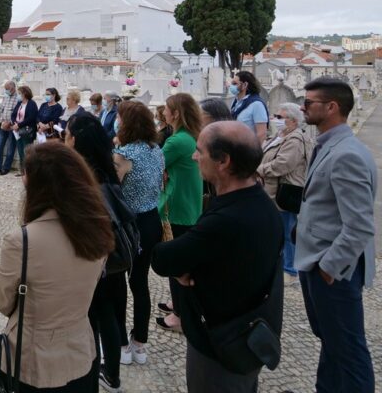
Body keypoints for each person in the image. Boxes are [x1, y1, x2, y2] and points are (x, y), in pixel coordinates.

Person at [151, 121, 283, 392]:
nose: (194, 156)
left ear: (223, 161)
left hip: (221, 344)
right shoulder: (261, 204)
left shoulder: (226, 220)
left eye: (200, 150)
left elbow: (162, 259)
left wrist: (188, 268)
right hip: (244, 336)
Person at [0, 141, 113, 392]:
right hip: (81, 352)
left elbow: (5, 303)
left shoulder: (21, 241)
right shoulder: (98, 229)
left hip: (34, 362)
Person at [296, 77, 377, 393]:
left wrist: (329, 267)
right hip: (319, 262)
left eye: (309, 102)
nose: (303, 107)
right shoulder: (332, 146)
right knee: (332, 341)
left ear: (331, 107)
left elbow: (359, 224)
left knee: (349, 349)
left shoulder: (347, 154)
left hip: (334, 270)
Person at [65, 112, 132, 392]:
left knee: (91, 323)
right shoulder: (108, 171)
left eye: (68, 135)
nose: (65, 140)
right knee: (111, 317)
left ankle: (91, 378)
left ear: (77, 140)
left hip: (93, 260)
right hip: (114, 258)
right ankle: (112, 375)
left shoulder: (82, 179)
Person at [112, 101, 165, 368]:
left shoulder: (123, 154)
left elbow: (113, 191)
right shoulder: (156, 150)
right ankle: (140, 344)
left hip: (128, 225)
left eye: (120, 119)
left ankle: (121, 344)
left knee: (119, 284)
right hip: (151, 220)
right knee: (140, 283)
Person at [156, 93, 203, 332]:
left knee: (177, 261)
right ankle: (178, 304)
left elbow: (156, 166)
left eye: (166, 109)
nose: (163, 113)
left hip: (177, 206)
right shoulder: (190, 137)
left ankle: (180, 315)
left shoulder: (177, 141)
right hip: (189, 203)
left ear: (175, 114)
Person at [257, 102, 313, 281]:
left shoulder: (295, 139)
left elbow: (283, 164)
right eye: (275, 116)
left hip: (285, 191)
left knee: (288, 230)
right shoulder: (281, 135)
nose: (276, 120)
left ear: (294, 121)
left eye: (280, 117)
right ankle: (282, 264)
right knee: (279, 229)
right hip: (273, 190)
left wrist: (259, 169)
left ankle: (290, 270)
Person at [1, 85, 38, 177]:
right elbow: (13, 114)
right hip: (17, 131)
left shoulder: (31, 104)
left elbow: (31, 118)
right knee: (21, 151)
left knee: (27, 152)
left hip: (26, 131)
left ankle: (29, 172)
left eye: (19, 93)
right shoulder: (19, 103)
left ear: (25, 94)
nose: (18, 95)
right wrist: (14, 123)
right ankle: (22, 170)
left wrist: (19, 125)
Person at [229, 71, 269, 143]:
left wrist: (252, 151)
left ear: (245, 85)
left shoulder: (256, 104)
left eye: (235, 84)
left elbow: (262, 133)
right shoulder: (236, 102)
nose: (231, 86)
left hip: (248, 148)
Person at [0, 81, 18, 175]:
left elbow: (17, 113)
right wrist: (2, 121)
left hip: (12, 127)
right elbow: (1, 110)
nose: (6, 91)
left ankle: (6, 167)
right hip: (3, 126)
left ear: (13, 88)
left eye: (7, 89)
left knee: (10, 148)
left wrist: (9, 123)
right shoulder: (5, 97)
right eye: (5, 89)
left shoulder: (18, 98)